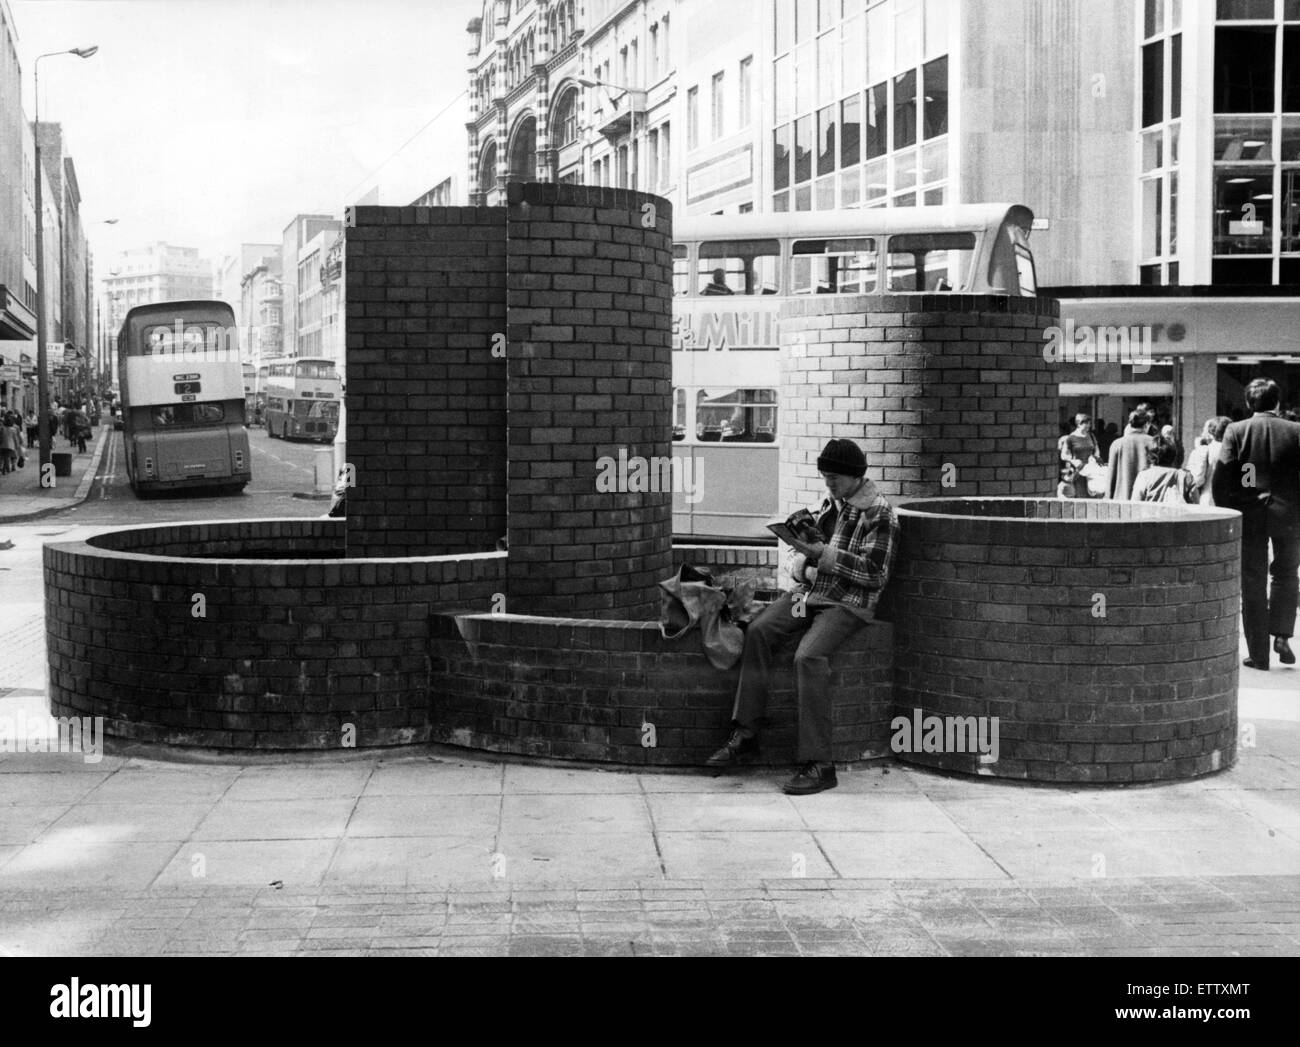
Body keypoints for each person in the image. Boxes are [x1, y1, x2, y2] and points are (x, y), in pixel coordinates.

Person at [707, 437, 900, 795]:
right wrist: (804, 565)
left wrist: (824, 556)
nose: (829, 484)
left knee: (809, 656)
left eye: (835, 478)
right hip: (811, 593)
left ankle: (820, 764)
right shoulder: (829, 504)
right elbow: (796, 559)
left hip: (847, 602)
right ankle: (746, 733)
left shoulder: (879, 512)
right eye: (825, 476)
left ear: (856, 476)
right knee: (759, 631)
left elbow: (876, 573)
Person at [1213, 378, 1300, 671]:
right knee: (1286, 574)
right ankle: (1283, 635)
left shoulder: (1236, 431)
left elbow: (1222, 481)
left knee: (1252, 581)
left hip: (1249, 516)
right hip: (1289, 516)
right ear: (1277, 403)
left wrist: (1232, 511)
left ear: (1249, 404)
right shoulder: (1296, 431)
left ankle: (1258, 654)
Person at [1105, 409, 1156, 500]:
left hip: (1121, 499)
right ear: (1147, 424)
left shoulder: (1117, 444)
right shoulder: (1154, 442)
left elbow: (1111, 476)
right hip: (1147, 499)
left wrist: (1108, 498)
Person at [1131, 436, 1196, 504]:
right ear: (1173, 455)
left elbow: (1135, 503)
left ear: (1151, 456)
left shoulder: (1144, 476)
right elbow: (1196, 505)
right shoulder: (1186, 476)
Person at [1185, 416, 1231, 505]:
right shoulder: (1237, 450)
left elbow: (1198, 479)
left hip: (1209, 499)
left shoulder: (1204, 450)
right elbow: (1248, 480)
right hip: (1232, 500)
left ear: (1211, 432)